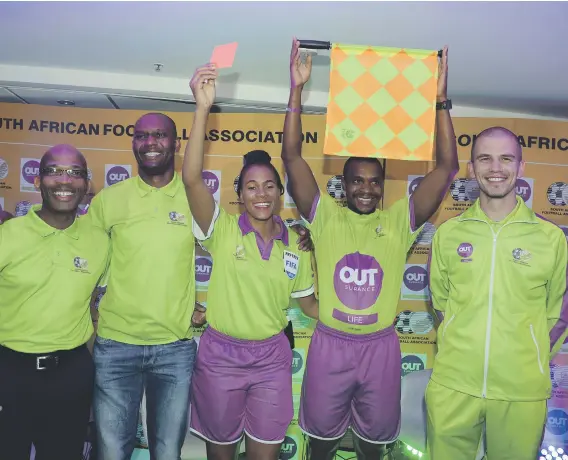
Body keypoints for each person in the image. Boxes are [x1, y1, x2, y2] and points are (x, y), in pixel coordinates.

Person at [281, 38, 459, 459]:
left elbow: (448, 168)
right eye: (356, 180)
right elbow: (291, 158)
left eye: (374, 181)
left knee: (373, 446)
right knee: (320, 443)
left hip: (379, 347)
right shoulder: (326, 217)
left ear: (383, 187)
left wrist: (440, 101)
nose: (366, 188)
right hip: (330, 344)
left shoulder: (400, 220)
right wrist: (296, 91)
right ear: (343, 185)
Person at [183, 64, 319, 460]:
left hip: (271, 360)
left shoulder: (296, 241)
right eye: (251, 187)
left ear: (280, 193)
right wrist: (202, 109)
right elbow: (192, 179)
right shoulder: (221, 229)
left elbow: (309, 305)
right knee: (220, 453)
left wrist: (358, 321)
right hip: (220, 357)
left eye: (270, 186)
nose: (261, 194)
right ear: (239, 194)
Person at [426, 126, 568, 459]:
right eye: (485, 159)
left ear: (521, 168)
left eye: (506, 159)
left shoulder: (550, 238)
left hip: (521, 393)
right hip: (453, 387)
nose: (496, 168)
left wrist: (523, 359)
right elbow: (441, 305)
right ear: (471, 169)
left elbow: (557, 314)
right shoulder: (447, 234)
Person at [87, 112, 206, 460]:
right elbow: (79, 252)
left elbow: (232, 248)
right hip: (116, 346)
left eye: (159, 135)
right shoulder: (109, 200)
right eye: (141, 136)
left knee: (167, 452)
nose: (150, 143)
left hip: (174, 348)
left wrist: (292, 232)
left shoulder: (194, 198)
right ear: (133, 143)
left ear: (176, 143)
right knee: (111, 451)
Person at [0, 144, 109, 460]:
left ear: (86, 185)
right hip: (10, 371)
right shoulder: (8, 235)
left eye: (75, 173)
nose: (65, 181)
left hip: (70, 374)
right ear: (37, 180)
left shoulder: (100, 242)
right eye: (54, 171)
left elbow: (106, 297)